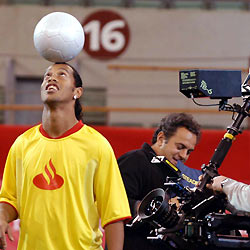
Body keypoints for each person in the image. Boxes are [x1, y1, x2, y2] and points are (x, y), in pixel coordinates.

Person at [0, 62, 131, 250]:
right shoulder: (22, 144)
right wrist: (2, 217)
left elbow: (114, 215)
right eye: (47, 75)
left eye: (61, 74)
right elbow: (9, 199)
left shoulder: (97, 145)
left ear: (77, 92)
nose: (51, 78)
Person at [118, 113, 202, 250]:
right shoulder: (135, 160)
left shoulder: (175, 175)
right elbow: (113, 203)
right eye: (180, 147)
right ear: (161, 138)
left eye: (189, 151)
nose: (184, 156)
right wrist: (152, 208)